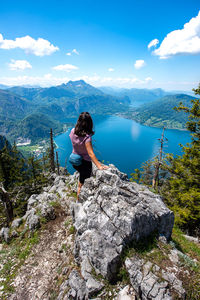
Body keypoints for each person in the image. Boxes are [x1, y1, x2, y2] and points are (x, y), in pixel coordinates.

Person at [69, 112, 108, 199]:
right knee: (83, 182)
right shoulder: (87, 137)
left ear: (78, 121)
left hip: (73, 160)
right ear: (89, 124)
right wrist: (99, 166)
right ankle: (79, 200)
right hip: (85, 163)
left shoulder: (72, 131)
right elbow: (90, 153)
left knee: (81, 177)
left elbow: (75, 142)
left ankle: (79, 195)